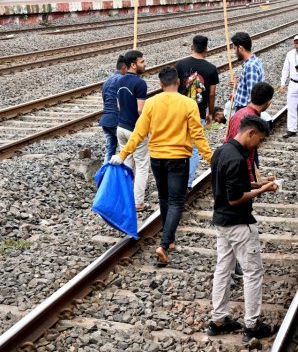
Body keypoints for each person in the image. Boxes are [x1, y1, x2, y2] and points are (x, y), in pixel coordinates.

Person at [111, 66, 212, 266]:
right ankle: (164, 244)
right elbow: (197, 136)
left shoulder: (151, 103)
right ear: (178, 83)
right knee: (176, 202)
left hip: (157, 159)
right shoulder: (188, 104)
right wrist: (211, 160)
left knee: (165, 199)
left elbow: (139, 132)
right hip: (178, 159)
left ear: (160, 84)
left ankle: (170, 239)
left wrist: (122, 154)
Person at [207, 115, 278, 342]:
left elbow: (231, 183)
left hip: (221, 222)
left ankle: (218, 319)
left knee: (223, 269)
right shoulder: (237, 159)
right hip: (239, 223)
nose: (259, 144)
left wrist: (259, 183)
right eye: (260, 139)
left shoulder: (221, 151)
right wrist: (263, 190)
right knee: (253, 272)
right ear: (250, 133)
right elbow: (236, 197)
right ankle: (252, 324)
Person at [176, 35, 220, 189]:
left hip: (179, 112)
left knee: (178, 145)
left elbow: (174, 87)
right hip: (198, 113)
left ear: (191, 47)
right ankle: (187, 183)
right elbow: (212, 94)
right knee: (194, 148)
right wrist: (210, 112)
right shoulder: (211, 69)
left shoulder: (180, 65)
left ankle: (176, 180)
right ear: (207, 49)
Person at [115, 50, 149, 211]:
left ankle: (126, 198)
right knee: (142, 165)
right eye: (142, 61)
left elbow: (119, 106)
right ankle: (138, 202)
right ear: (134, 65)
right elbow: (141, 110)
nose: (145, 64)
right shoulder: (140, 83)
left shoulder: (119, 80)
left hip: (121, 127)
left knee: (127, 163)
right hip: (134, 129)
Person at [225, 82, 275, 182]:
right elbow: (243, 152)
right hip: (239, 172)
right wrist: (251, 180)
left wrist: (258, 180)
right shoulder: (251, 121)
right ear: (269, 103)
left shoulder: (239, 113)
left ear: (251, 95)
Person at [99, 55, 127, 163]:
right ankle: (123, 177)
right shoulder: (122, 81)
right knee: (125, 151)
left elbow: (105, 99)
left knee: (109, 151)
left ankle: (104, 177)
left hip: (105, 119)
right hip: (117, 120)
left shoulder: (107, 81)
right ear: (124, 68)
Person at [230, 32, 264, 113]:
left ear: (240, 48)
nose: (234, 52)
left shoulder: (250, 66)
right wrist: (236, 91)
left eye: (235, 48)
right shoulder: (255, 60)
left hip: (245, 111)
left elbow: (252, 97)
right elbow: (249, 88)